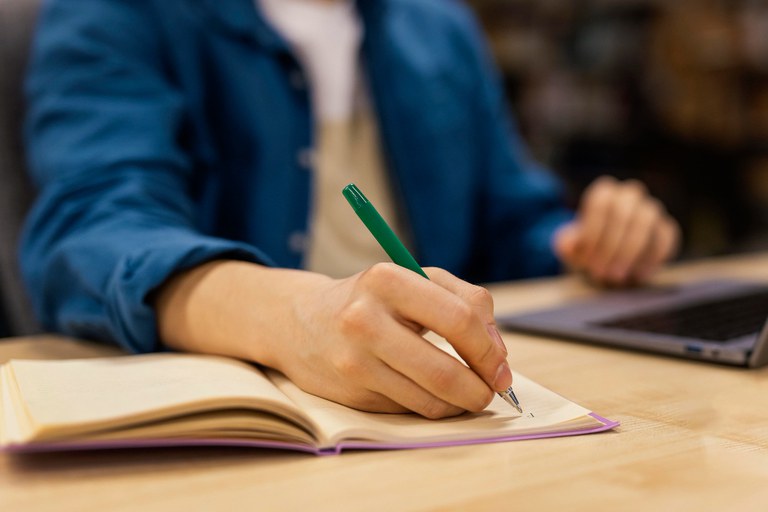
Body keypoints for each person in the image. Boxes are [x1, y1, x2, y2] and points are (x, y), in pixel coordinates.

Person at [21, 0, 679, 419]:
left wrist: (582, 241)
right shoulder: (118, 13)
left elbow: (510, 222)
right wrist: (291, 314)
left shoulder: (439, 24)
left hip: (447, 427)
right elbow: (89, 230)